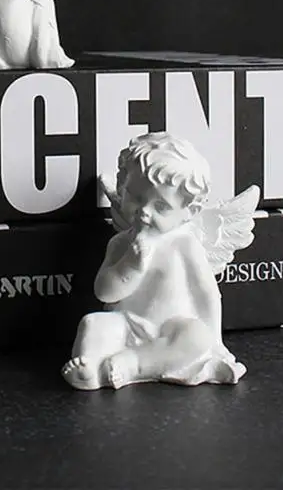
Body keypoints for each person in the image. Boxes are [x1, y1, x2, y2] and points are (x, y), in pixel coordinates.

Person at [62, 132, 249, 389]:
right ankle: (91, 368)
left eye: (161, 207)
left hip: (173, 329)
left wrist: (216, 340)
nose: (144, 212)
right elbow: (104, 292)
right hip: (126, 324)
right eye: (135, 198)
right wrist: (131, 265)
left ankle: (133, 364)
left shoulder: (185, 245)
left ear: (189, 212)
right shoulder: (120, 243)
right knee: (93, 323)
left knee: (196, 337)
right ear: (121, 187)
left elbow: (206, 294)